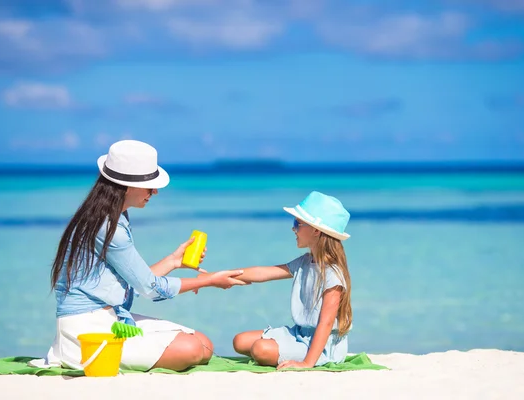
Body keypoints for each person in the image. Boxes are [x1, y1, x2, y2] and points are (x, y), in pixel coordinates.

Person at [44, 139, 246, 372]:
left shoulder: (112, 218)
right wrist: (209, 281)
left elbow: (136, 281)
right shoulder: (108, 227)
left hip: (113, 317)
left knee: (203, 344)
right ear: (126, 186)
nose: (155, 192)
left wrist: (173, 261)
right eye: (150, 185)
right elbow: (149, 288)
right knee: (192, 349)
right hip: (86, 331)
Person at [230, 191, 353, 370]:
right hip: (299, 333)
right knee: (239, 341)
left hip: (324, 345)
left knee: (260, 349)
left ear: (316, 230)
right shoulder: (305, 262)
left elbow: (326, 323)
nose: (293, 228)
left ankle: (304, 355)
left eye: (297, 223)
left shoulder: (333, 274)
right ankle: (288, 348)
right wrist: (221, 276)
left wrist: (307, 363)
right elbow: (263, 273)